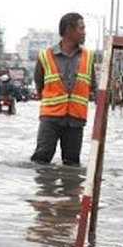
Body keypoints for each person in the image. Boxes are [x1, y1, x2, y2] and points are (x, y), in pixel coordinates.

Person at [30, 12, 95, 166]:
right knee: (41, 158)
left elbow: (92, 86)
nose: (84, 32)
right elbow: (39, 84)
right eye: (81, 28)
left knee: (72, 163)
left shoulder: (88, 56)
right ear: (68, 30)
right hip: (50, 118)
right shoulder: (45, 56)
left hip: (75, 119)